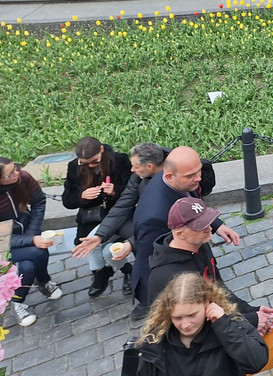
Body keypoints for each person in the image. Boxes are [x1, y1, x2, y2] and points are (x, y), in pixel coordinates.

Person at [131, 147, 241, 320]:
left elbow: (193, 205)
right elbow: (151, 259)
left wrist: (216, 225)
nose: (198, 179)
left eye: (198, 172)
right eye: (191, 176)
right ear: (169, 176)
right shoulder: (154, 217)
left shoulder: (179, 177)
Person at [147, 198, 273, 335]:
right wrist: (249, 321)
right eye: (201, 226)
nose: (210, 228)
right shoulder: (165, 277)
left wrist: (251, 311)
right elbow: (190, 328)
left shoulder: (199, 244)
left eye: (208, 223)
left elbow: (219, 291)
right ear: (180, 234)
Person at [133, 273, 269, 376]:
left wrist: (224, 325)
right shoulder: (156, 340)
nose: (185, 325)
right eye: (177, 318)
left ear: (207, 303)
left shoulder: (229, 324)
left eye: (192, 315)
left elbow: (256, 362)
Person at [72, 142, 165, 285]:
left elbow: (164, 222)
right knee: (99, 244)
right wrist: (101, 235)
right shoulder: (140, 176)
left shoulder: (171, 181)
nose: (132, 170)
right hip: (140, 223)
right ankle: (113, 272)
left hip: (166, 235)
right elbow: (124, 203)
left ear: (150, 166)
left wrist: (131, 244)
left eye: (135, 166)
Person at [61, 137, 132, 298]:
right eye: (84, 163)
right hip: (90, 218)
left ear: (101, 150)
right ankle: (126, 270)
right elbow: (67, 200)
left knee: (105, 251)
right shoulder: (74, 167)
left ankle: (101, 273)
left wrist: (114, 191)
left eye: (93, 162)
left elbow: (131, 191)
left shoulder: (119, 161)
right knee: (98, 247)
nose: (90, 166)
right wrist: (81, 196)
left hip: (117, 216)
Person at [0, 158, 61, 327]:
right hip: (3, 245)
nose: (17, 174)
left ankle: (19, 299)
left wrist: (32, 233)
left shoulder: (23, 178)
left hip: (26, 230)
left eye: (16, 168)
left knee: (28, 266)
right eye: (10, 174)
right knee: (37, 251)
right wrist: (30, 240)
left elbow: (39, 202)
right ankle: (43, 281)